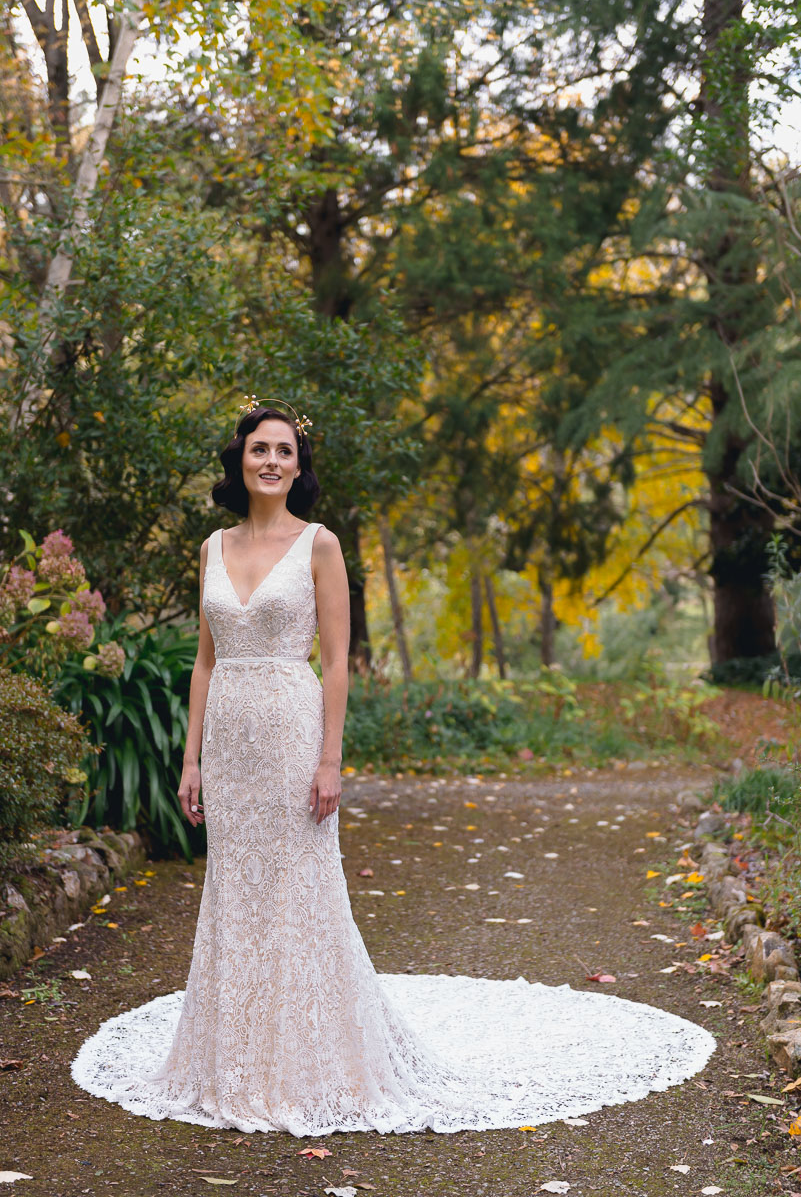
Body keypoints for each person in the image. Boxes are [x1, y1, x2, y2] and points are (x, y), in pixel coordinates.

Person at [71, 398, 716, 1136]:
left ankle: (312, 1062)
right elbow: (206, 660)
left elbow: (339, 661)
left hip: (291, 727)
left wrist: (330, 760)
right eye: (259, 450)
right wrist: (189, 757)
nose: (272, 461)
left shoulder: (319, 544)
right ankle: (232, 1058)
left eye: (285, 450)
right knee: (236, 892)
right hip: (229, 742)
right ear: (239, 461)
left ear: (299, 465)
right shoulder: (211, 548)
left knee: (300, 893)